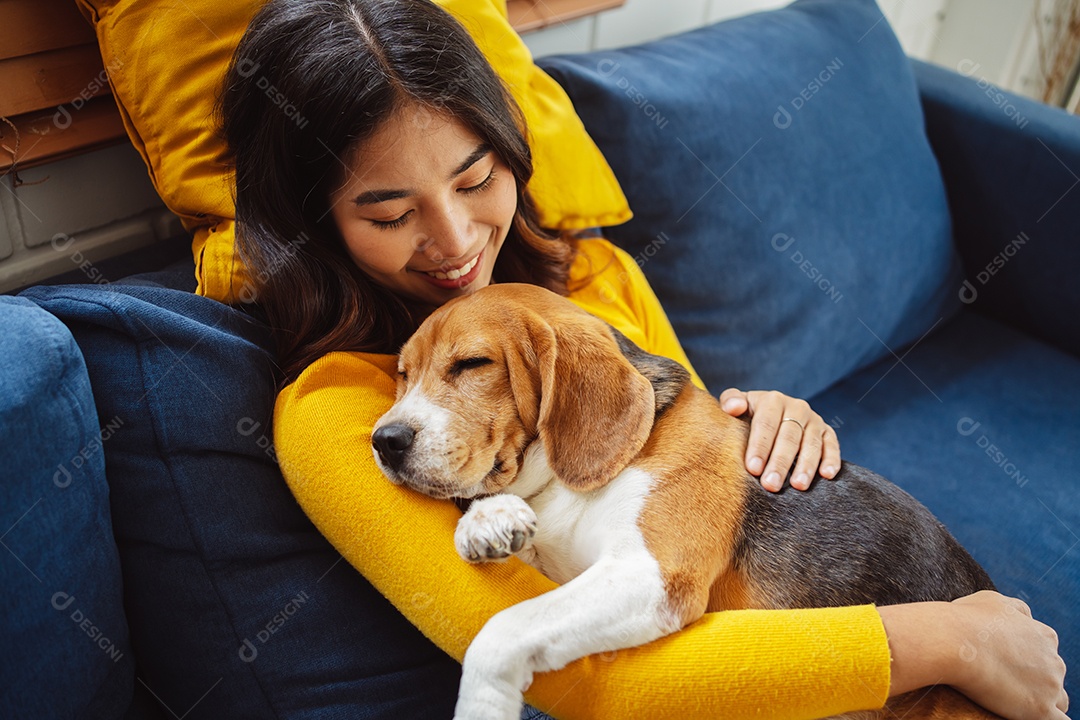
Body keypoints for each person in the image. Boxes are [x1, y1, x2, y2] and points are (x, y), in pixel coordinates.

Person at [218, 0, 1068, 717]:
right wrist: (949, 639)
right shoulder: (338, 411)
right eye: (390, 211)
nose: (455, 238)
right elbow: (593, 679)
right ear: (315, 224)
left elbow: (672, 478)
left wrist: (759, 418)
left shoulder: (591, 278)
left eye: (475, 180)